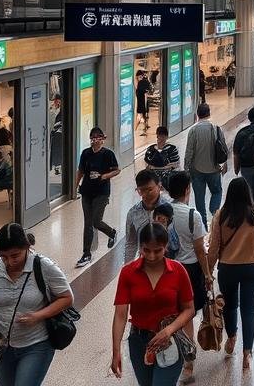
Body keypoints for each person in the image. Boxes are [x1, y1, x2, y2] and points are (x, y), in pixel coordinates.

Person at [0, 223, 73, 386]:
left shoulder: (43, 266)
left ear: (27, 247)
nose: (9, 261)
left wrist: (38, 316)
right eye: (3, 256)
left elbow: (67, 297)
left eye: (15, 255)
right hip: (3, 347)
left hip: (37, 344)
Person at [111, 223, 196, 386]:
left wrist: (168, 331)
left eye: (157, 250)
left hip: (170, 341)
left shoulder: (178, 271)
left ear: (166, 247)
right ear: (140, 247)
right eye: (146, 250)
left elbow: (189, 309)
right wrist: (116, 351)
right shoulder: (128, 273)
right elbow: (121, 314)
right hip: (139, 341)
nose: (151, 256)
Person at [206, 178, 254, 371]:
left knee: (230, 306)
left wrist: (208, 272)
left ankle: (232, 337)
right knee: (248, 309)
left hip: (228, 268)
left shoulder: (220, 215)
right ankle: (247, 354)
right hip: (252, 268)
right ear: (248, 194)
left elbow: (214, 247)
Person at [163, 172, 210, 384]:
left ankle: (172, 354)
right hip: (190, 270)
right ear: (187, 190)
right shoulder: (193, 215)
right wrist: (208, 274)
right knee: (187, 314)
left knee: (171, 313)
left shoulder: (162, 213)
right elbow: (200, 250)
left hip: (168, 270)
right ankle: (188, 359)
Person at [76, 127, 120, 269]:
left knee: (96, 221)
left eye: (98, 137)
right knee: (87, 223)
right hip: (86, 191)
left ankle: (111, 232)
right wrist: (75, 186)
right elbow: (81, 171)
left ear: (102, 139)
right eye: (93, 138)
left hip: (101, 192)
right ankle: (86, 253)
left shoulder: (108, 154)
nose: (95, 140)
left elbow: (117, 170)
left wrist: (104, 176)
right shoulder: (85, 153)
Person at [182, 104, 225, 228]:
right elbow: (222, 148)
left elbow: (189, 152)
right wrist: (223, 164)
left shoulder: (193, 130)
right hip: (214, 169)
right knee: (216, 192)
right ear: (209, 114)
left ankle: (203, 226)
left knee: (199, 199)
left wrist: (186, 170)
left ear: (197, 115)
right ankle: (214, 211)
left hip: (197, 170)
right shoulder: (216, 128)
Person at [123, 171, 168, 261]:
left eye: (149, 190)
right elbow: (131, 244)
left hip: (168, 265)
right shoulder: (133, 213)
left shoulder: (171, 210)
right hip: (146, 265)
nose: (145, 194)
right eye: (141, 190)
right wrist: (127, 267)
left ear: (159, 186)